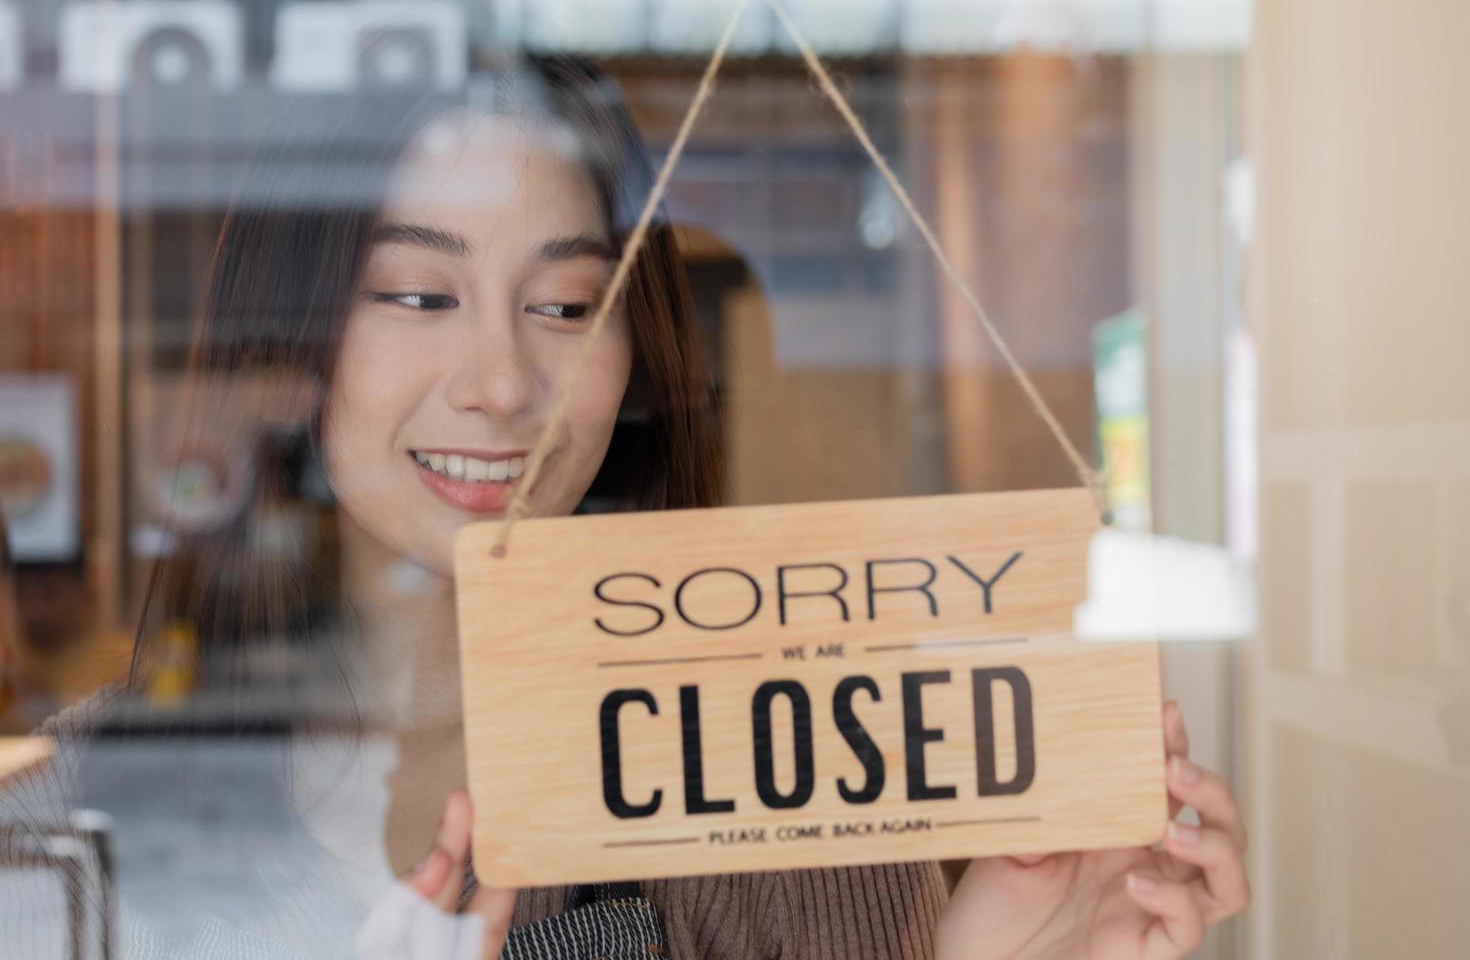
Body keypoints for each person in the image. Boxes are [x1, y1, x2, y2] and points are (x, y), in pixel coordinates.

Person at [2, 56, 1246, 958]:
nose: (500, 386)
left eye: (565, 306)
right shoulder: (64, 827)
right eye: (419, 295)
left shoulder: (805, 795)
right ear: (290, 336)